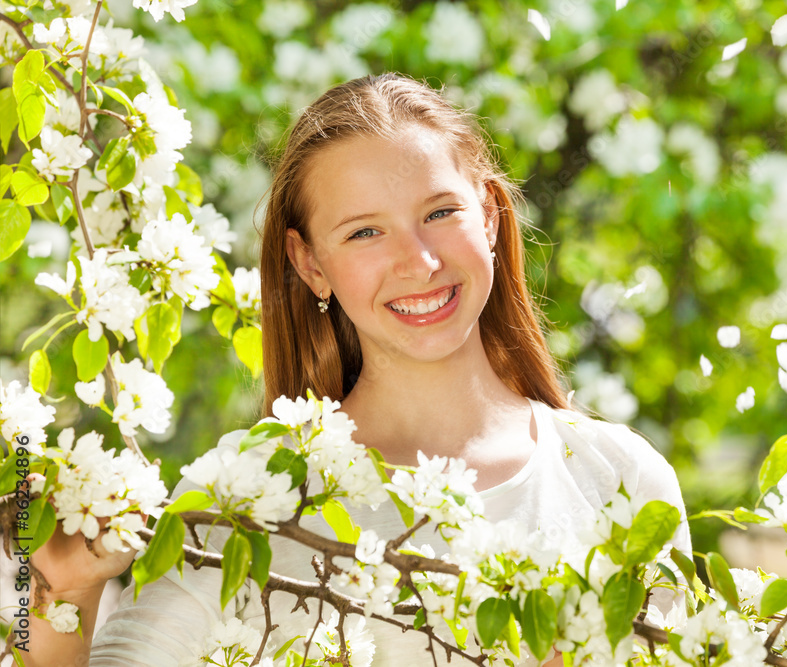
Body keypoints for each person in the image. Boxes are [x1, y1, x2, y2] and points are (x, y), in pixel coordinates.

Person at [23, 72, 690, 667]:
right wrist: (62, 594)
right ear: (310, 262)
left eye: (440, 212)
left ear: (488, 215)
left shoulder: (619, 481)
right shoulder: (249, 500)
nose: (419, 260)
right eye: (365, 231)